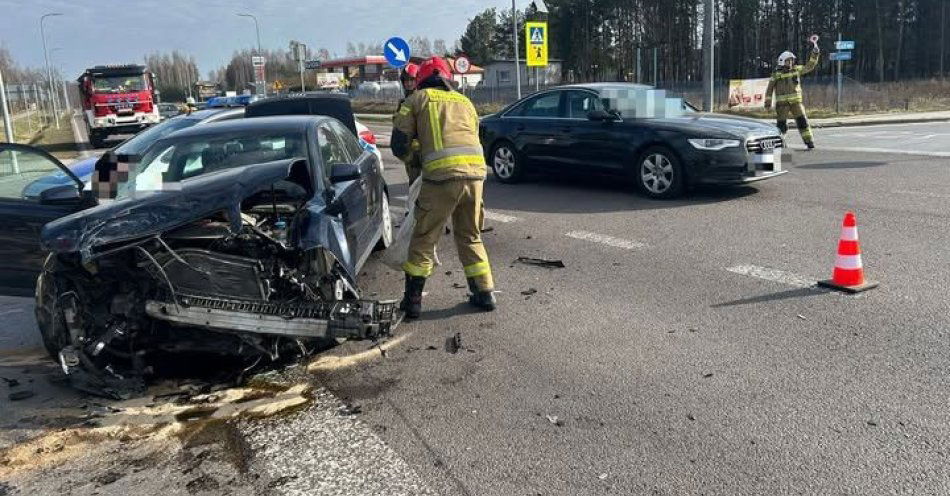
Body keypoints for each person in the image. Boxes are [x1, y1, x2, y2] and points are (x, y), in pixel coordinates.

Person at [393, 56, 496, 319]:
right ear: (447, 78)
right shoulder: (465, 101)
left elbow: (398, 144)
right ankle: (484, 293)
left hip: (440, 179)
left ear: (422, 79)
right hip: (475, 178)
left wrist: (416, 157)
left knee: (424, 238)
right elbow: (476, 135)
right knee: (470, 235)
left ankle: (413, 301)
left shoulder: (416, 99)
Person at [765, 41, 820, 149]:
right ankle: (780, 144)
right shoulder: (776, 74)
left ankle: (809, 142)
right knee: (781, 125)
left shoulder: (796, 70)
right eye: (788, 61)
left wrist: (815, 53)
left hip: (796, 103)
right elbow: (769, 89)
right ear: (782, 61)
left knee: (803, 122)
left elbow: (810, 65)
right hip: (782, 105)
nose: (790, 62)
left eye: (791, 60)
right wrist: (767, 103)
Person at [390, 63, 422, 184]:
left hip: (421, 152)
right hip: (410, 153)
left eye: (412, 80)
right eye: (406, 80)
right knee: (413, 183)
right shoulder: (403, 102)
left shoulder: (421, 99)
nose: (408, 83)